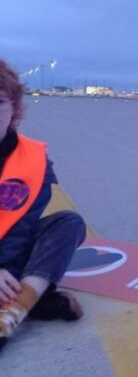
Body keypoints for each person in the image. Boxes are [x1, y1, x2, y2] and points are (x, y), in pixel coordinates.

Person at [0, 59, 86, 351]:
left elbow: (21, 228)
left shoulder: (33, 161)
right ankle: (34, 303)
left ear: (14, 110)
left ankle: (15, 309)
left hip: (11, 263)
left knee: (68, 223)